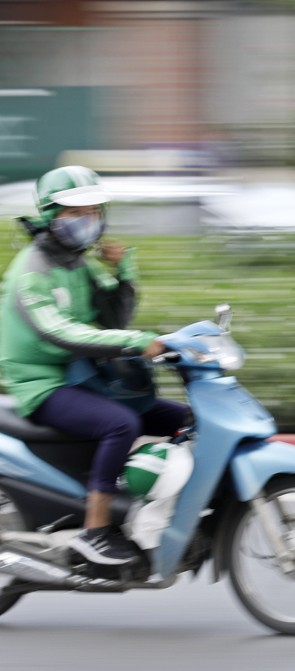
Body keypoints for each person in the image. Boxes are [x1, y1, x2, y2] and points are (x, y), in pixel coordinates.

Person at [0, 165, 189, 565]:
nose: (87, 220)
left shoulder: (77, 264)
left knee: (186, 419)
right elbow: (61, 332)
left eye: (93, 211)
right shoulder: (31, 273)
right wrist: (136, 343)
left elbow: (112, 320)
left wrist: (122, 272)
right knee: (121, 423)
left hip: (83, 376)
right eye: (75, 212)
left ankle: (150, 504)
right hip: (44, 385)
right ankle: (96, 531)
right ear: (51, 217)